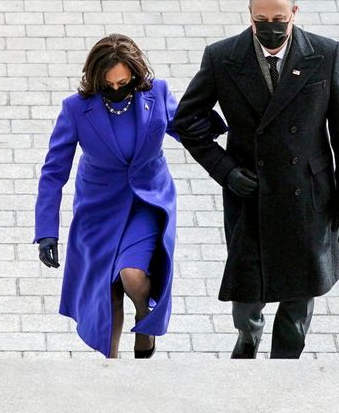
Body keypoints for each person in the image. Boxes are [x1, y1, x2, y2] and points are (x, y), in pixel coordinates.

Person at [173, 0, 339, 359]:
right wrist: (225, 170)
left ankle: (282, 374)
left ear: (294, 12)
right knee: (246, 303)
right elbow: (185, 122)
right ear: (250, 15)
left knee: (297, 306)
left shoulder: (325, 55)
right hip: (251, 197)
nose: (270, 27)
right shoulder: (223, 58)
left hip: (308, 199)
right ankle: (248, 338)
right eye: (262, 20)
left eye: (279, 19)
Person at [34, 34, 224, 358]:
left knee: (132, 276)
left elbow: (187, 129)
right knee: (107, 296)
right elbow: (53, 172)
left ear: (135, 74)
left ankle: (145, 319)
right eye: (110, 85)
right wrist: (46, 232)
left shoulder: (157, 93)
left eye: (124, 82)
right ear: (96, 79)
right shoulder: (76, 109)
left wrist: (226, 129)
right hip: (98, 208)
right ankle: (112, 368)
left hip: (147, 202)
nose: (118, 89)